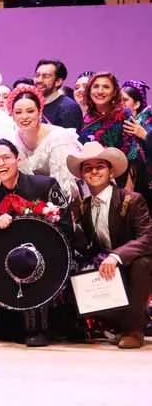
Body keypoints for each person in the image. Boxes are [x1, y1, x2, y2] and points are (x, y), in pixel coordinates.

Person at [0, 139, 72, 347]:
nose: (1, 164)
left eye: (6, 158)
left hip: (52, 255)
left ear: (18, 159)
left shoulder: (44, 185)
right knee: (5, 332)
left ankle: (43, 327)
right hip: (13, 267)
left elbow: (66, 224)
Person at [66, 142, 152, 349]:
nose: (94, 171)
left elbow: (148, 237)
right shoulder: (83, 206)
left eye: (100, 166)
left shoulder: (131, 200)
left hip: (129, 263)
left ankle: (135, 330)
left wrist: (116, 256)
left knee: (143, 262)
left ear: (111, 171)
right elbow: (87, 244)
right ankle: (108, 324)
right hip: (103, 266)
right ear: (82, 175)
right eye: (88, 168)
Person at [80, 72, 147, 198]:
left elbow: (133, 155)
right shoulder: (86, 117)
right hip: (94, 180)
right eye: (96, 86)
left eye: (106, 87)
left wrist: (128, 189)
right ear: (89, 90)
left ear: (114, 92)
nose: (100, 91)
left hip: (122, 182)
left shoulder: (124, 115)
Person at [8, 85, 81, 202]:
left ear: (39, 112)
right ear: (12, 115)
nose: (24, 117)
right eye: (18, 112)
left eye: (30, 111)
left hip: (61, 203)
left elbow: (65, 187)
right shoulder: (13, 139)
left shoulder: (58, 138)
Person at [32, 59, 83, 130]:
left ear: (58, 82)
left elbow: (69, 140)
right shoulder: (33, 104)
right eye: (37, 75)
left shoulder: (68, 108)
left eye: (46, 76)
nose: (39, 80)